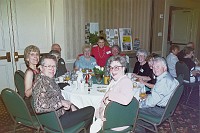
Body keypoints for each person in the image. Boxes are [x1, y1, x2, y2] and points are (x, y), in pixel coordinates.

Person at [32, 54, 94, 131]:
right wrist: (61, 103)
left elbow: (56, 97)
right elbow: (38, 107)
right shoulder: (41, 83)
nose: (52, 69)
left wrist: (70, 105)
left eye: (54, 66)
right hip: (57, 122)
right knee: (91, 110)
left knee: (79, 108)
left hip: (57, 116)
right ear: (41, 68)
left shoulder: (48, 79)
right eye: (48, 66)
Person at [90, 55, 134, 132]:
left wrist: (109, 94)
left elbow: (126, 100)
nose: (113, 71)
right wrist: (100, 111)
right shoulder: (113, 81)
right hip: (110, 117)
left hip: (119, 122)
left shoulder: (126, 81)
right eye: (111, 68)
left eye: (116, 67)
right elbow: (103, 102)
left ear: (123, 68)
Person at [136, 57, 179, 133]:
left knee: (132, 110)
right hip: (166, 109)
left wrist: (138, 103)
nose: (155, 69)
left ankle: (141, 128)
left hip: (159, 111)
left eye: (158, 67)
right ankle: (148, 125)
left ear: (165, 68)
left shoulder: (163, 82)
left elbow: (150, 103)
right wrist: (148, 96)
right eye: (154, 67)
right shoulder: (167, 77)